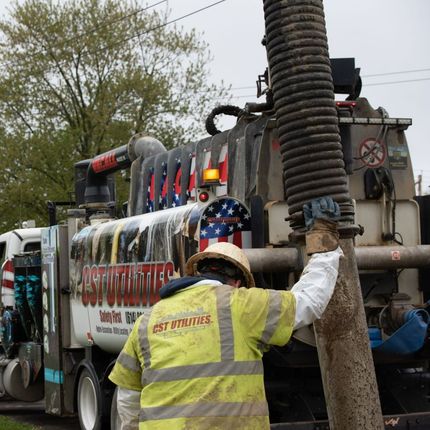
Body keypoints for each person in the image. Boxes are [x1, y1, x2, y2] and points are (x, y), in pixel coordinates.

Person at [109, 196, 343, 429]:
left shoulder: (148, 320)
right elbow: (308, 300)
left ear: (197, 272)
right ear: (238, 282)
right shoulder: (242, 306)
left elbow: (128, 398)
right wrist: (323, 241)